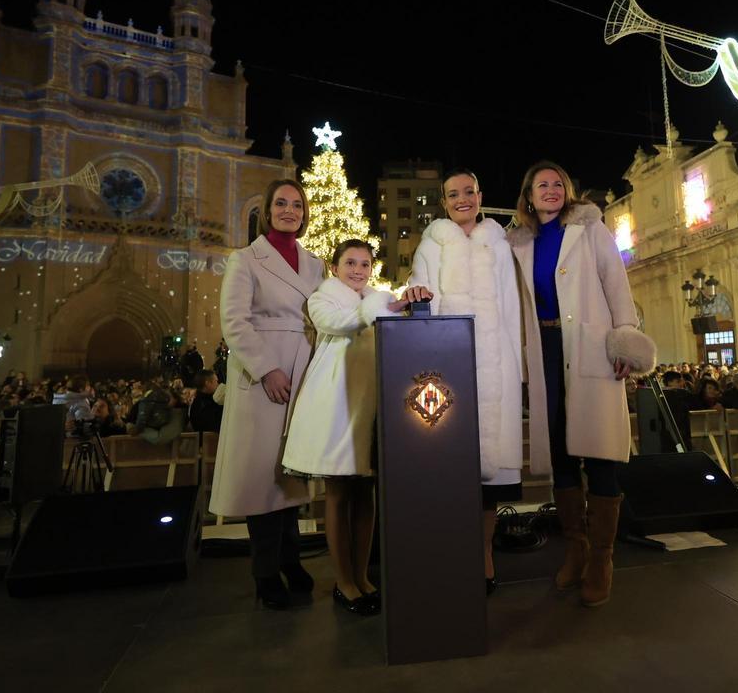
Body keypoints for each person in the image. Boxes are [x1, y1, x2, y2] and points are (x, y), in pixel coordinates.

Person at [507, 161, 655, 608]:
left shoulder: (591, 229)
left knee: (601, 454)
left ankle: (602, 559)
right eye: (541, 185)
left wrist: (623, 337)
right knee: (562, 454)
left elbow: (616, 283)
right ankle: (577, 548)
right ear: (528, 196)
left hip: (590, 347)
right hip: (545, 347)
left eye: (558, 183)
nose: (550, 190)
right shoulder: (520, 242)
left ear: (567, 191)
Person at [403, 168, 523, 595]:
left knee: (492, 479)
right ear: (444, 200)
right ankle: (450, 552)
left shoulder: (498, 242)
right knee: (451, 466)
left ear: (480, 194)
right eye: (453, 194)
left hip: (497, 362)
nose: (462, 200)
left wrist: (516, 364)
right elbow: (419, 290)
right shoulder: (432, 242)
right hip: (449, 366)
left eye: (468, 192)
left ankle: (484, 553)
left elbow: (512, 306)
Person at [210, 178, 325, 610]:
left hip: (300, 371)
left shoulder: (314, 264)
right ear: (267, 210)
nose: (289, 210)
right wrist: (267, 369)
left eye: (297, 204)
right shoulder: (245, 259)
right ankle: (264, 573)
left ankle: (291, 560)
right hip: (262, 377)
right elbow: (234, 321)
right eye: (281, 203)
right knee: (262, 480)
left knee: (289, 476)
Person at [283, 241, 411, 615]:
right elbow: (339, 323)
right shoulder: (323, 299)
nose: (358, 269)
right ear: (335, 266)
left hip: (371, 406)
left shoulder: (375, 300)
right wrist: (381, 306)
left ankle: (362, 575)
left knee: (366, 493)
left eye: (365, 263)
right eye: (350, 263)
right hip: (335, 405)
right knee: (338, 494)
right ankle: (343, 581)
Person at [188, 369, 225, 433]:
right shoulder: (205, 404)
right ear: (207, 383)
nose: (218, 384)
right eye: (216, 381)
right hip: (212, 439)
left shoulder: (199, 400)